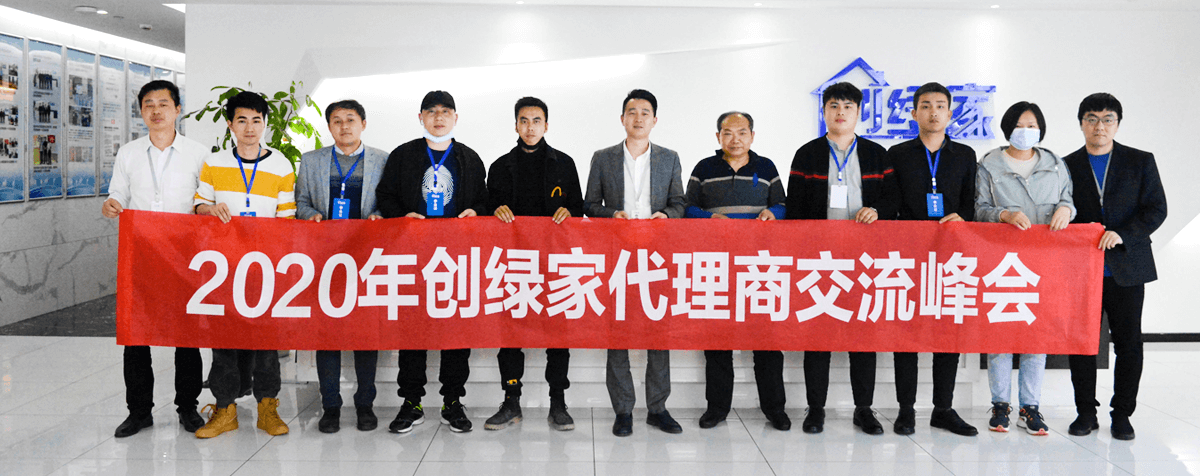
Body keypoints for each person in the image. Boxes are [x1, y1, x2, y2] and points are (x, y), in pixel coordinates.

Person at [785, 81, 897, 436]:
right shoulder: (807, 154)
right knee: (818, 336)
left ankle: (863, 409)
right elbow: (794, 209)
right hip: (819, 260)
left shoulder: (877, 154)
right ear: (824, 111)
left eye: (848, 106)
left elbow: (894, 201)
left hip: (865, 260)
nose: (840, 112)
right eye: (833, 105)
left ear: (859, 112)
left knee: (863, 337)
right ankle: (815, 408)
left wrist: (877, 210)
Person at [375, 90, 487, 434]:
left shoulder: (469, 157)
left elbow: (484, 200)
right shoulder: (403, 155)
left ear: (455, 118)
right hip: (413, 256)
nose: (439, 118)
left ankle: (453, 401)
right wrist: (402, 215)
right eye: (432, 111)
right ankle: (411, 402)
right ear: (420, 117)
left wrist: (476, 211)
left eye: (446, 111)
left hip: (456, 259)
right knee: (412, 330)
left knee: (456, 330)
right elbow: (385, 196)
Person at [102, 80, 209, 438]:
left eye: (163, 103)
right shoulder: (128, 153)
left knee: (186, 335)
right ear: (141, 111)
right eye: (148, 104)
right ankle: (139, 412)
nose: (156, 110)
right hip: (141, 252)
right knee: (136, 335)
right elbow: (118, 192)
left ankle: (187, 408)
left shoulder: (198, 153)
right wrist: (112, 203)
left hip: (185, 255)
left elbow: (204, 199)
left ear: (177, 109)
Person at [192, 91, 296, 439]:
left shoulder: (281, 165)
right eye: (242, 120)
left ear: (265, 124)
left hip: (265, 267)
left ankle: (268, 408)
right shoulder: (214, 162)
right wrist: (209, 209)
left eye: (256, 120)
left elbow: (287, 220)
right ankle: (225, 409)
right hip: (224, 267)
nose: (250, 128)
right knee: (223, 339)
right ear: (230, 124)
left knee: (266, 340)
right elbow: (199, 206)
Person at [1063, 93, 1167, 441]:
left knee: (1128, 343)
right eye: (1092, 118)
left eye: (1107, 119)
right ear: (1081, 123)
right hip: (1081, 270)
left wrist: (1123, 233)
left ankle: (1122, 413)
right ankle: (1085, 412)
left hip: (1127, 268)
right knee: (1082, 344)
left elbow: (1156, 209)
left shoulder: (1140, 161)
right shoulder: (1065, 165)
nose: (1100, 126)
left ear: (1117, 124)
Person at [584, 89, 686, 437]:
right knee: (618, 333)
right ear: (622, 119)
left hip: (657, 256)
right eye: (632, 111)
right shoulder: (603, 158)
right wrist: (612, 214)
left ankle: (657, 408)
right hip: (617, 255)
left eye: (645, 112)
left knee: (659, 332)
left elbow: (679, 202)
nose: (638, 117)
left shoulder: (670, 158)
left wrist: (666, 215)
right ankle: (623, 409)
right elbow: (589, 204)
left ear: (654, 120)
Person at [685, 111, 790, 431]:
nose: (735, 139)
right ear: (718, 137)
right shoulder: (704, 168)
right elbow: (686, 208)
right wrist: (709, 218)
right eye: (728, 133)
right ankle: (717, 408)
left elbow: (784, 205)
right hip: (716, 266)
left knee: (767, 341)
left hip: (759, 267)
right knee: (717, 340)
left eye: (742, 132)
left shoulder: (766, 167)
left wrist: (773, 212)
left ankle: (775, 408)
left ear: (752, 136)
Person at [484, 97, 584, 432]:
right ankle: (511, 401)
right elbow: (487, 211)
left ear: (546, 125)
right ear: (516, 125)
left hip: (554, 262)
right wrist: (495, 210)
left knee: (558, 332)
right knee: (510, 333)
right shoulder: (500, 166)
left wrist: (570, 212)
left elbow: (578, 208)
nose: (530, 127)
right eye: (524, 121)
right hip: (513, 261)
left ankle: (558, 402)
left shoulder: (564, 164)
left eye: (536, 121)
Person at [976, 101, 1075, 436]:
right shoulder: (989, 164)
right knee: (1000, 335)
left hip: (1044, 262)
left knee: (1037, 335)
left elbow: (1068, 200)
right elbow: (979, 208)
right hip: (1002, 262)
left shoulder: (1055, 163)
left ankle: (1029, 407)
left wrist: (1066, 209)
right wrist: (1003, 215)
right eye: (1020, 125)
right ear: (1008, 129)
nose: (1026, 131)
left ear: (1041, 129)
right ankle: (1000, 405)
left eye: (1032, 125)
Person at [887, 82, 978, 437]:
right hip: (909, 255)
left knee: (947, 333)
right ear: (914, 113)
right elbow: (890, 201)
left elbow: (971, 202)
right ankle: (905, 410)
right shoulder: (897, 154)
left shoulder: (965, 154)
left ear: (950, 114)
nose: (933, 112)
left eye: (940, 106)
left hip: (951, 255)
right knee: (906, 334)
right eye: (925, 106)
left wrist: (962, 217)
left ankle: (943, 409)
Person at [295, 99, 387, 433]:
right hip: (325, 258)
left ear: (363, 123)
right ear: (329, 126)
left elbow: (389, 202)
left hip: (367, 259)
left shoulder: (382, 160)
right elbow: (300, 202)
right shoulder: (311, 161)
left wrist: (379, 216)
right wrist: (311, 216)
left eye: (350, 119)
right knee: (328, 333)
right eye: (337, 120)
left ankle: (365, 404)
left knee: (365, 334)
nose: (344, 126)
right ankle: (330, 406)